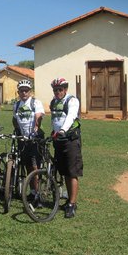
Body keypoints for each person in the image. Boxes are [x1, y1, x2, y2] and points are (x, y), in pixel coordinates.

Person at [50, 77, 83, 218]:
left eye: (60, 89)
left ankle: (72, 204)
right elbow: (55, 119)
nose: (58, 92)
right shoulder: (54, 102)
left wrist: (63, 130)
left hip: (70, 140)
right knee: (63, 171)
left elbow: (71, 116)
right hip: (58, 140)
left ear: (65, 89)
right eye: (55, 90)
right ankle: (68, 199)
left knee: (72, 172)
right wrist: (54, 131)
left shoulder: (72, 101)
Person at [12, 79, 45, 204]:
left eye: (26, 90)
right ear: (18, 92)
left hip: (35, 137)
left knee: (35, 166)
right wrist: (17, 130)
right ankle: (32, 192)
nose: (24, 93)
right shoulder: (16, 105)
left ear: (30, 91)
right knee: (27, 165)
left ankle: (38, 194)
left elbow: (38, 116)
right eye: (22, 91)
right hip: (23, 138)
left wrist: (36, 128)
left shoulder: (35, 102)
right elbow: (14, 119)